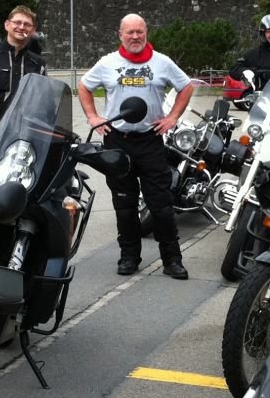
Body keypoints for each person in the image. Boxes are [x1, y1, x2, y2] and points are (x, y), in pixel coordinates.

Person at [78, 14, 195, 280]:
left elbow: (186, 87)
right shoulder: (108, 63)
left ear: (146, 33)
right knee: (125, 204)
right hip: (117, 141)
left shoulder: (162, 62)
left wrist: (172, 117)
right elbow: (84, 86)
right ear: (120, 35)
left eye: (139, 31)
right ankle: (129, 256)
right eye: (129, 32)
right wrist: (93, 117)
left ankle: (172, 260)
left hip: (150, 140)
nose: (135, 36)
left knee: (161, 205)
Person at [0, 5, 47, 119]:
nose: (22, 27)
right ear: (7, 25)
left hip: (21, 124)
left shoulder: (38, 63)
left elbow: (42, 98)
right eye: (17, 22)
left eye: (27, 24)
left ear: (33, 30)